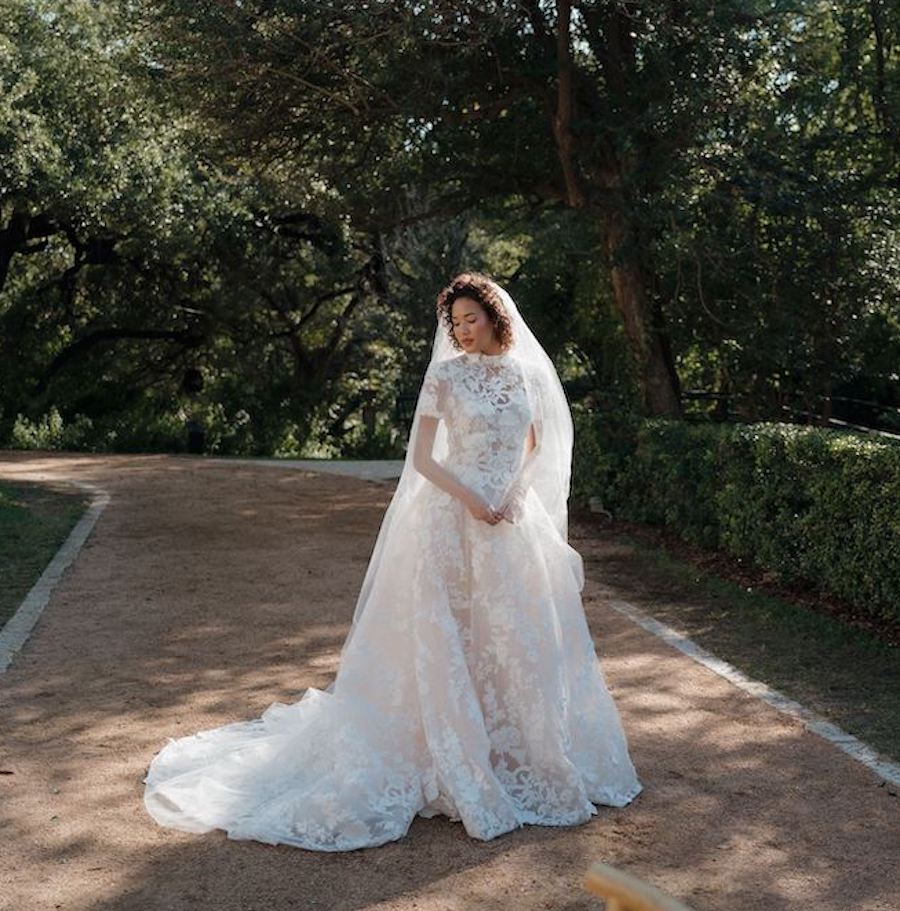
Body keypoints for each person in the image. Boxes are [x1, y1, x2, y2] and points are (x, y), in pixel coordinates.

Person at [143, 272, 643, 850]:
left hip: (510, 521)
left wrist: (510, 496)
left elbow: (534, 448)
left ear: (494, 316)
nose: (462, 329)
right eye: (454, 322)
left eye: (470, 318)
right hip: (453, 517)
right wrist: (474, 498)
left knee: (513, 636)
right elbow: (424, 459)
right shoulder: (445, 374)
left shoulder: (525, 373)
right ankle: (450, 751)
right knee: (450, 637)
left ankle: (519, 751)